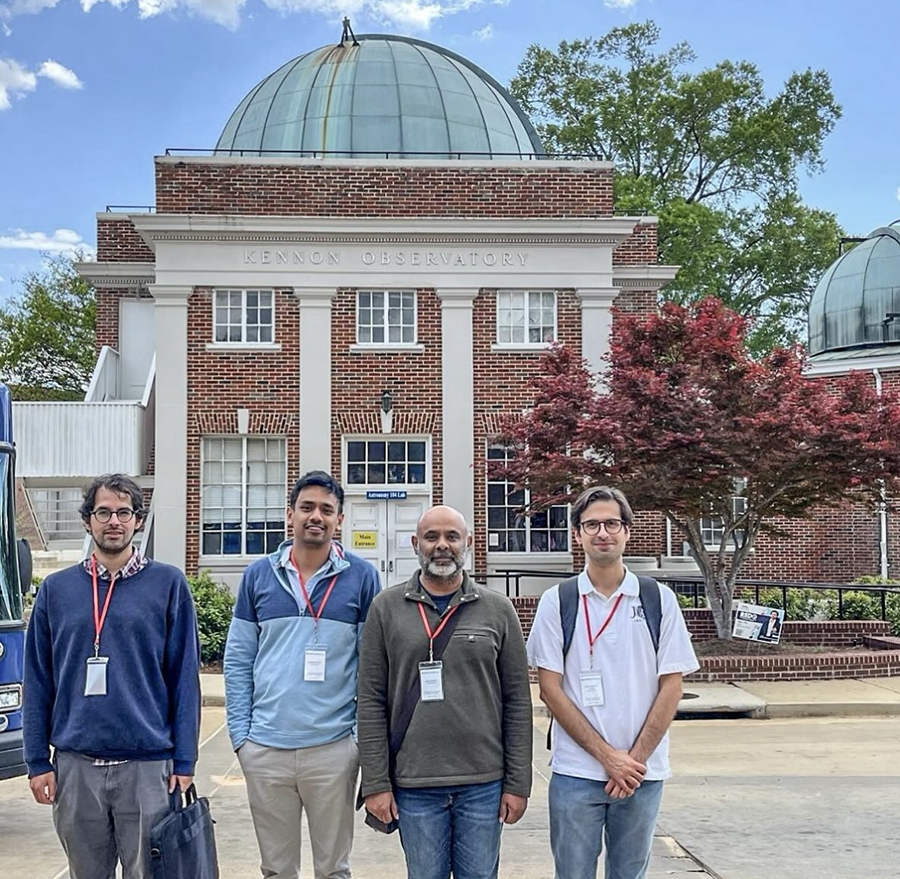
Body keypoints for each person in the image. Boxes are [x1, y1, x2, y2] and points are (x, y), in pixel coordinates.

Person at [23, 473, 201, 879]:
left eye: (124, 512)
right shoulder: (56, 590)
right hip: (75, 766)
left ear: (138, 520)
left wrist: (185, 757)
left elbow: (184, 678)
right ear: (88, 521)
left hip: (147, 766)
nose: (114, 521)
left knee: (149, 873)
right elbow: (38, 680)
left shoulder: (168, 584)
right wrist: (36, 761)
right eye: (103, 512)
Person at [526, 486, 699, 879]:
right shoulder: (558, 601)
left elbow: (671, 687)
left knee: (629, 874)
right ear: (577, 533)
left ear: (627, 531)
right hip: (576, 774)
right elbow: (549, 689)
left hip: (642, 774)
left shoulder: (659, 599)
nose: (602, 532)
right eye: (591, 524)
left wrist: (632, 761)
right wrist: (608, 758)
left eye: (611, 523)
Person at [357, 504, 533, 879]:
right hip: (415, 784)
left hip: (483, 784)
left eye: (451, 537)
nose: (442, 545)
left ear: (467, 543)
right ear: (414, 543)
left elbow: (518, 702)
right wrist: (375, 783)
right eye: (431, 537)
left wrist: (518, 783)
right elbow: (370, 701)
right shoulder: (385, 609)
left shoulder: (498, 610)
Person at [224, 470, 381, 879]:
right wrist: (242, 738)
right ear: (289, 514)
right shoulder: (258, 575)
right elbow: (239, 661)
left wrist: (358, 743)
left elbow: (372, 667)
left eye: (327, 510)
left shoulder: (363, 578)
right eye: (307, 507)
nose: (317, 516)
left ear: (340, 520)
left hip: (332, 750)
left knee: (333, 870)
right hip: (265, 750)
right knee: (277, 870)